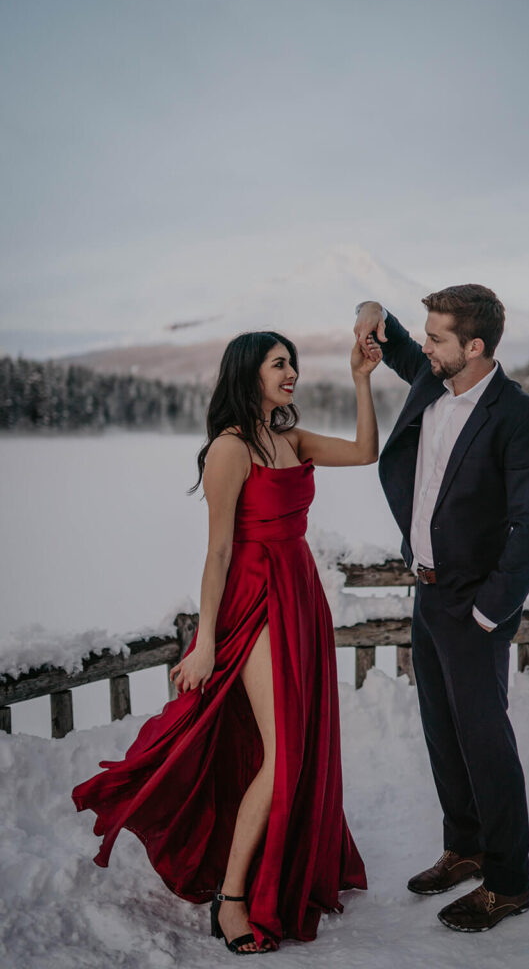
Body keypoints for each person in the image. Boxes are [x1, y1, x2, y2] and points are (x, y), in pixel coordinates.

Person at [73, 329, 381, 953]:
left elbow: (367, 452)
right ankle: (233, 898)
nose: (290, 372)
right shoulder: (230, 450)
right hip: (256, 600)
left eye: (292, 363)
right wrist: (205, 639)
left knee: (300, 741)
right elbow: (216, 552)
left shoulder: (290, 438)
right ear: (249, 374)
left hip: (301, 594)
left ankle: (275, 870)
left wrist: (360, 379)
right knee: (285, 752)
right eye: (277, 364)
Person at [354, 286, 529, 933]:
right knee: (443, 733)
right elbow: (394, 344)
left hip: (473, 604)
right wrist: (370, 314)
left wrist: (486, 612)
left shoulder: (520, 419)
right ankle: (465, 846)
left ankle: (506, 882)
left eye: (436, 337)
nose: (425, 347)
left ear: (474, 347)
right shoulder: (432, 378)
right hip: (428, 592)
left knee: (484, 742)